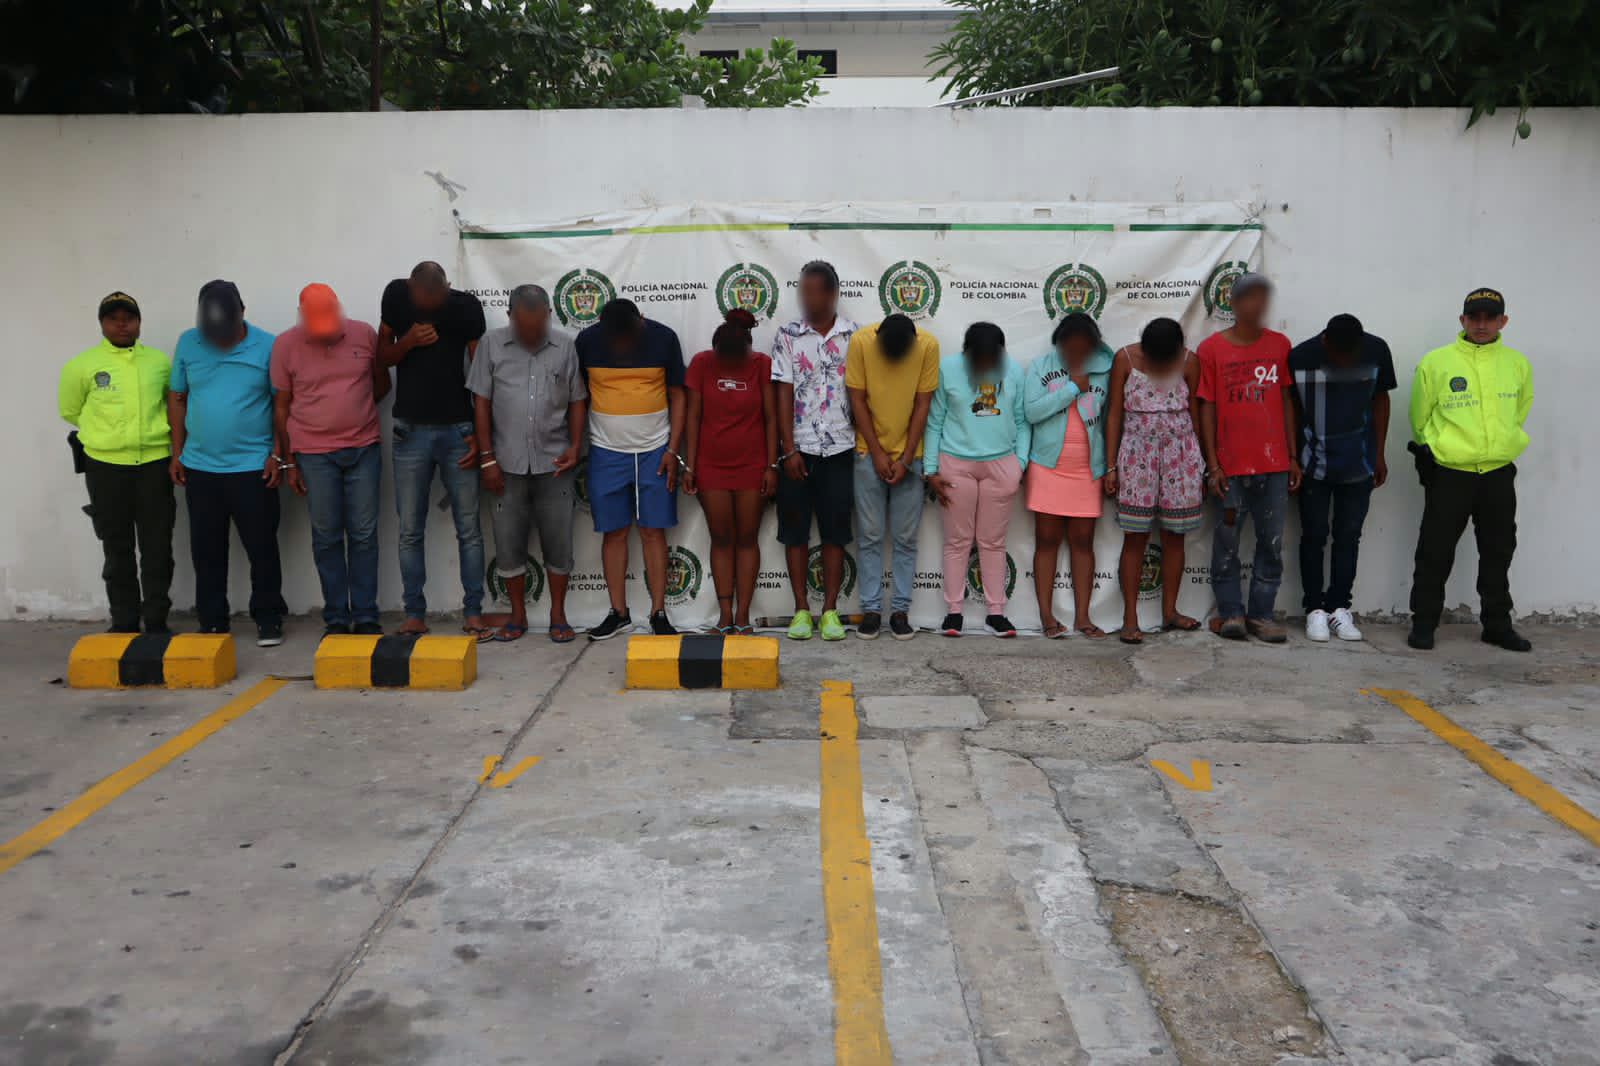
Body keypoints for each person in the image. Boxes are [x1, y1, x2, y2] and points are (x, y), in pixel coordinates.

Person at [1407, 287, 1533, 652]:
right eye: (1474, 317)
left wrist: (1500, 446)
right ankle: (1424, 623)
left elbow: (1520, 412)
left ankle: (1497, 625)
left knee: (1498, 551)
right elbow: (1420, 417)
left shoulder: (1517, 364)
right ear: (1462, 320)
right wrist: (1435, 452)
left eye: (1490, 318)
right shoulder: (1437, 362)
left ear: (1503, 321)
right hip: (1451, 473)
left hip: (1497, 473)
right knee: (1435, 551)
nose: (1481, 324)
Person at [167, 281, 287, 646]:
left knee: (262, 549)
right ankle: (213, 622)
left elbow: (282, 404)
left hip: (253, 467)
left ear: (242, 314)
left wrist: (278, 454)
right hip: (200, 467)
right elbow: (178, 398)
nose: (218, 339)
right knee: (206, 552)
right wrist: (177, 453)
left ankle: (268, 618)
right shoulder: (188, 342)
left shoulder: (268, 345)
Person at [468, 284, 588, 644]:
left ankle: (558, 615)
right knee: (507, 544)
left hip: (555, 463)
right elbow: (481, 402)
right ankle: (517, 616)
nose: (533, 334)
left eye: (539, 326)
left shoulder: (565, 346)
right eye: (524, 328)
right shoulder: (491, 344)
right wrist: (487, 458)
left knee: (559, 544)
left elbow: (577, 400)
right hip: (506, 463)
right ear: (510, 317)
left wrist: (575, 446)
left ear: (549, 315)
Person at [378, 261, 489, 637]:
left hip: (459, 430)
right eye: (422, 300)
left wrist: (480, 433)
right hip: (409, 431)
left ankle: (473, 612)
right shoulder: (396, 297)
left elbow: (480, 375)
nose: (428, 305)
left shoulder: (466, 307)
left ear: (446, 288)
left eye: (435, 299)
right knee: (410, 530)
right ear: (411, 288)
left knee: (469, 529)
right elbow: (381, 358)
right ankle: (414, 614)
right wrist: (408, 341)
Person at [271, 284, 390, 636]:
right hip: (313, 454)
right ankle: (336, 617)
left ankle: (366, 615)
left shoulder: (363, 335)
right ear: (302, 317)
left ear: (339, 311)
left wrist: (355, 412)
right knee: (326, 537)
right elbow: (281, 406)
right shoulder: (285, 345)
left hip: (363, 448)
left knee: (364, 535)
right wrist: (289, 460)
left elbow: (381, 384)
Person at [58, 292, 175, 634]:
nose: (122, 325)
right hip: (105, 468)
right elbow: (71, 410)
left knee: (157, 548)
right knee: (116, 546)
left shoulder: (159, 363)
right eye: (114, 319)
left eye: (129, 318)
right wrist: (108, 438)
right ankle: (124, 621)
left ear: (139, 322)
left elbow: (172, 406)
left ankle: (156, 620)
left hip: (154, 464)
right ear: (102, 324)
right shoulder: (82, 365)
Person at [1196, 272, 1300, 643]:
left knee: (1271, 542)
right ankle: (1231, 613)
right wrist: (1213, 465)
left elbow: (1286, 400)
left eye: (1262, 298)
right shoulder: (1211, 350)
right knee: (1227, 541)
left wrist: (1292, 456)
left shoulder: (1279, 345)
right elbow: (1206, 407)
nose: (1256, 305)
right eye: (1249, 298)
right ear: (1234, 303)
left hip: (1274, 467)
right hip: (1231, 471)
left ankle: (1261, 615)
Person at [576, 298, 686, 639]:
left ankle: (658, 613)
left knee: (653, 531)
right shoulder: (587, 342)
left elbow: (678, 395)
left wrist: (672, 450)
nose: (623, 343)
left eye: (629, 336)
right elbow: (578, 398)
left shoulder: (664, 338)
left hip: (655, 451)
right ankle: (618, 613)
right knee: (615, 532)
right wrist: (575, 444)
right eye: (617, 338)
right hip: (606, 451)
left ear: (641, 321)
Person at [1288, 313, 1396, 643]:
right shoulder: (1301, 356)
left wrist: (1379, 453)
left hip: (1359, 463)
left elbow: (1381, 400)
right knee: (1314, 536)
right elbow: (1291, 409)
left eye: (1352, 355)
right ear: (1325, 342)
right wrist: (1292, 458)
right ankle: (1314, 610)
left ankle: (1339, 608)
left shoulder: (1376, 350)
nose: (1346, 361)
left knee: (1348, 537)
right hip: (1313, 465)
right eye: (1339, 355)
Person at [923, 321, 1029, 638]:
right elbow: (935, 422)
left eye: (990, 358)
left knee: (993, 542)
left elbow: (1022, 421)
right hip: (956, 464)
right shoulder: (948, 369)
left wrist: (1019, 464)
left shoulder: (1014, 371)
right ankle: (953, 613)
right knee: (957, 541)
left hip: (1002, 465)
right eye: (978, 358)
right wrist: (931, 470)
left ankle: (996, 614)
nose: (984, 364)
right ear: (966, 353)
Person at [1103, 317, 1204, 644]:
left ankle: (1170, 611)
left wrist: (1204, 464)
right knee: (1135, 537)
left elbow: (1196, 413)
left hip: (1181, 455)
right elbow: (1114, 414)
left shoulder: (1190, 362)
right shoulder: (1125, 359)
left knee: (1175, 536)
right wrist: (1110, 467)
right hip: (1137, 456)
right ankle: (1130, 619)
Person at [771, 261, 857, 642]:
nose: (806, 298)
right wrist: (788, 450)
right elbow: (782, 393)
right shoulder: (788, 335)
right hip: (799, 450)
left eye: (813, 291)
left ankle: (830, 610)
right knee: (795, 532)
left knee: (835, 532)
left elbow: (860, 394)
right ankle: (801, 610)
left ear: (832, 294)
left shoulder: (855, 337)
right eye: (802, 291)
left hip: (841, 449)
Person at [684, 309, 778, 633]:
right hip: (711, 466)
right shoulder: (701, 363)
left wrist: (771, 466)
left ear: (749, 348)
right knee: (721, 538)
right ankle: (725, 616)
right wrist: (690, 466)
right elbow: (693, 417)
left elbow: (771, 418)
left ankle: (743, 616)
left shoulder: (762, 364)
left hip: (753, 465)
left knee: (748, 538)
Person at [846, 313, 939, 640]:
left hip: (910, 457)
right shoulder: (861, 342)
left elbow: (923, 404)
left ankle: (900, 611)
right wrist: (877, 452)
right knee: (870, 536)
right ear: (879, 340)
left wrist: (907, 458)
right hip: (867, 452)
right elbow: (857, 400)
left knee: (905, 539)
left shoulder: (928, 345)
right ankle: (871, 610)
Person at [1023, 312, 1114, 639]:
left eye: (1083, 347)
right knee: (1046, 540)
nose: (1076, 352)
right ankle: (1047, 617)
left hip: (1087, 470)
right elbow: (1031, 412)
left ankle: (1083, 618)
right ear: (1059, 344)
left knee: (1083, 542)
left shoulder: (1106, 369)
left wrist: (1110, 467)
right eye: (1069, 346)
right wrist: (1072, 388)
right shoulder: (1041, 367)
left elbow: (1110, 420)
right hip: (1048, 466)